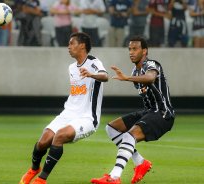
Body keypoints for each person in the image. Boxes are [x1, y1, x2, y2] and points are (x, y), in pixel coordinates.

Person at [19, 32, 108, 184]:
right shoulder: (72, 67)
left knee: (59, 136)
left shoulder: (93, 62)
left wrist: (92, 74)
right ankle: (34, 169)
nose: (68, 47)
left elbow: (105, 76)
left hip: (87, 118)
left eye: (72, 43)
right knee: (43, 142)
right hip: (67, 114)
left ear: (82, 45)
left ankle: (41, 180)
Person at [91, 36, 175, 184]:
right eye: (130, 49)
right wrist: (130, 77)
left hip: (163, 113)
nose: (131, 52)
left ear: (144, 51)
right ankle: (140, 162)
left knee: (130, 136)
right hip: (150, 111)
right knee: (112, 128)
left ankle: (114, 177)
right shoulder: (135, 72)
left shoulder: (152, 64)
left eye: (135, 49)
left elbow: (150, 78)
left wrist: (126, 78)